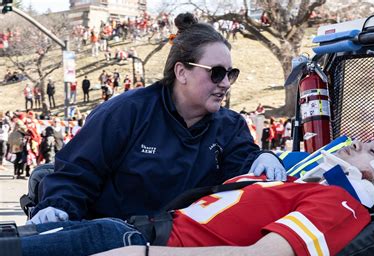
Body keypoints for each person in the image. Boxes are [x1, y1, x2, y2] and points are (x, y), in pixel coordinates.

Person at [20, 128, 374, 256]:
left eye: (372, 152)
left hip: (131, 251)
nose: (356, 145)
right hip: (123, 234)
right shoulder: (306, 184)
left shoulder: (342, 206)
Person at [29, 13, 285, 225]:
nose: (226, 83)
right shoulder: (126, 112)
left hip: (188, 255)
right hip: (115, 248)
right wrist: (57, 208)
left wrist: (263, 158)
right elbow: (76, 172)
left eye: (231, 73)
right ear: (182, 72)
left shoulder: (230, 126)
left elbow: (242, 175)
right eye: (217, 73)